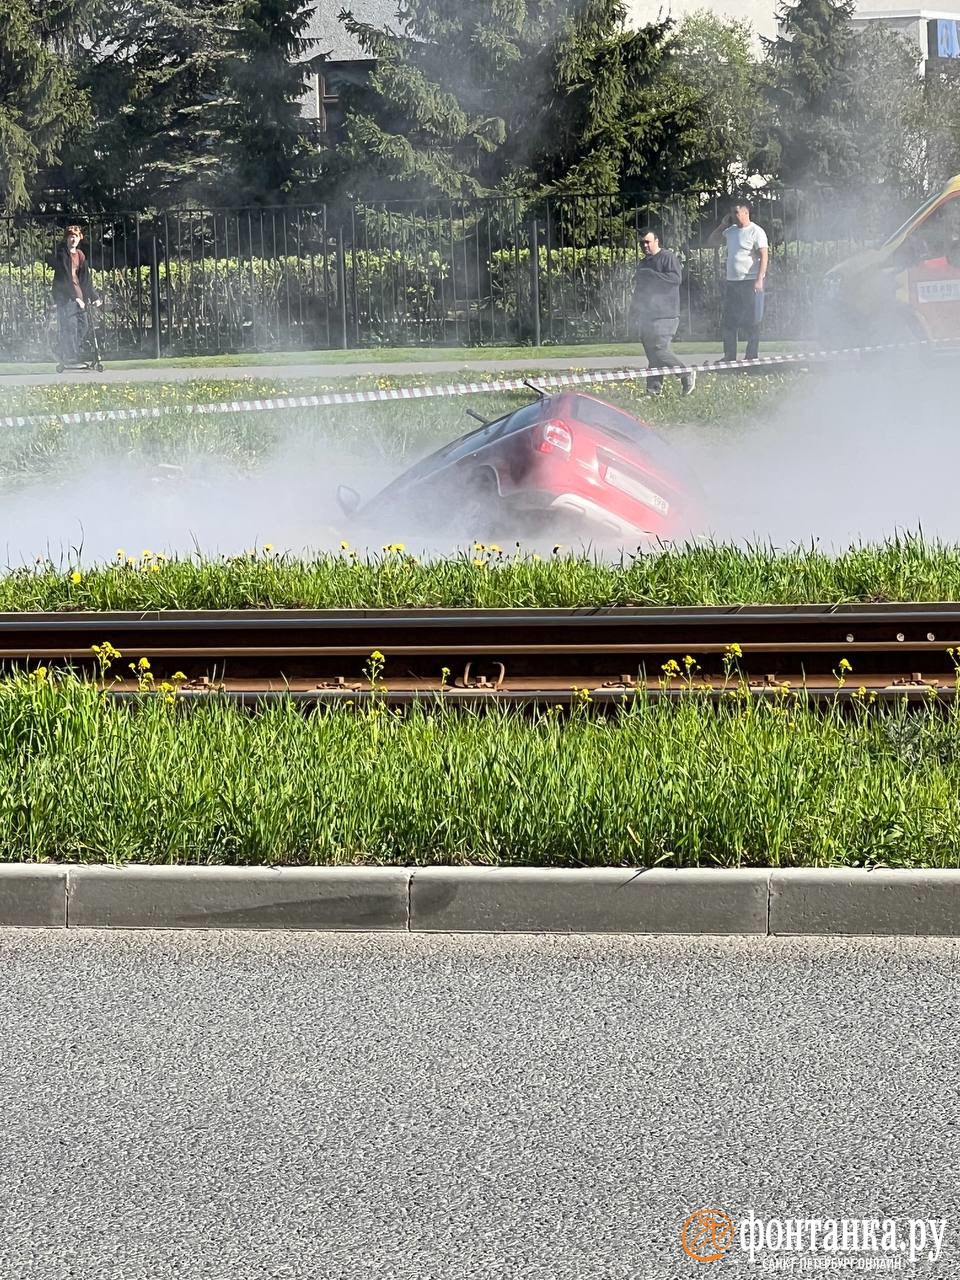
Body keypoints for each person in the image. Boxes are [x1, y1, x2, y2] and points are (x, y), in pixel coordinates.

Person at [629, 229, 696, 397]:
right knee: (652, 355)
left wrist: (653, 275)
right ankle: (653, 391)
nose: (644, 245)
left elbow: (675, 280)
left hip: (665, 314)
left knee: (659, 349)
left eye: (647, 242)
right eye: (642, 243)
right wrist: (633, 310)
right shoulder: (643, 264)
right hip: (647, 314)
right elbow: (640, 290)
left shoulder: (668, 257)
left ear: (656, 241)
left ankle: (685, 373)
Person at [708, 201, 768, 362]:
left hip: (750, 281)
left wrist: (759, 279)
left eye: (736, 212)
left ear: (745, 212)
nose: (733, 216)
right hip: (733, 282)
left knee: (752, 320)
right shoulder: (731, 231)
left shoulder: (756, 231)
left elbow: (764, 256)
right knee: (729, 320)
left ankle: (751, 355)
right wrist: (722, 225)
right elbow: (712, 241)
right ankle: (729, 356)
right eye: (732, 213)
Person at [50, 224, 98, 366]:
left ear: (79, 238)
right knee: (70, 326)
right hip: (66, 297)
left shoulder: (80, 255)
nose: (73, 239)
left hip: (79, 297)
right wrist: (75, 297)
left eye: (76, 236)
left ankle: (69, 352)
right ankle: (70, 358)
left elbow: (85, 279)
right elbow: (64, 278)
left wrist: (94, 296)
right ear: (67, 238)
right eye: (71, 236)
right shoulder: (62, 255)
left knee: (83, 326)